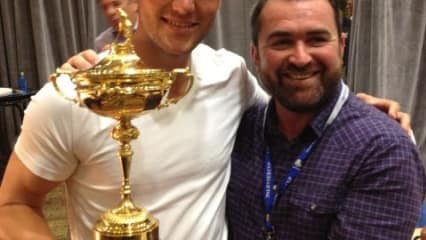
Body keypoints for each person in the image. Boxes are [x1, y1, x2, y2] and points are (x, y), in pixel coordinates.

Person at [0, 0, 413, 239]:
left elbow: (298, 94)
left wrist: (363, 112)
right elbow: (12, 204)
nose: (184, 5)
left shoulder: (230, 77)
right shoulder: (73, 95)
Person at [226, 0, 426, 240]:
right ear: (255, 55)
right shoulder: (240, 127)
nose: (301, 58)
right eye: (282, 42)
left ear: (341, 46)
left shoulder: (384, 151)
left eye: (317, 39)